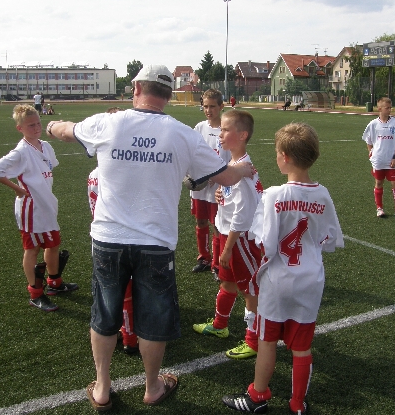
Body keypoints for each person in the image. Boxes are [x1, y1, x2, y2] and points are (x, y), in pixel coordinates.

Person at [45, 64, 254, 411]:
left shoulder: (109, 122)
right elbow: (225, 177)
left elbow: (65, 130)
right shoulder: (184, 134)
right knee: (153, 319)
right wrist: (243, 168)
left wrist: (51, 125)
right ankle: (152, 387)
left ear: (137, 88)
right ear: (169, 95)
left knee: (105, 314)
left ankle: (102, 387)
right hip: (155, 243)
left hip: (108, 238)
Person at [222, 122, 344, 415]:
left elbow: (262, 240)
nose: (276, 157)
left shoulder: (274, 194)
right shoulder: (322, 194)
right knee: (302, 347)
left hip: (277, 280)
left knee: (266, 342)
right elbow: (330, 239)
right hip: (310, 279)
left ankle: (258, 396)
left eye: (277, 152)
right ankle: (297, 404)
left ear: (285, 157)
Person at [0, 104, 78, 312]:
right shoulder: (21, 152)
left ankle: (55, 283)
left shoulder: (46, 146)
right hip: (31, 208)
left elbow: (48, 169)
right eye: (30, 125)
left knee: (53, 245)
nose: (36, 128)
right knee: (32, 249)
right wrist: (17, 189)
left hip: (47, 204)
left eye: (38, 123)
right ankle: (36, 293)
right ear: (20, 128)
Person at [193, 109, 263, 360]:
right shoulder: (234, 167)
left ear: (242, 135)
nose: (220, 134)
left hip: (239, 239)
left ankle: (253, 340)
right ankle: (220, 325)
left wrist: (227, 247)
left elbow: (243, 215)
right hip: (228, 237)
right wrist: (221, 194)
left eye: (225, 130)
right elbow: (234, 201)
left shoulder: (243, 171)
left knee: (249, 290)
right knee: (227, 282)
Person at [87, 107, 139, 356]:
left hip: (103, 238)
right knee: (129, 289)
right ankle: (130, 336)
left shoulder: (95, 173)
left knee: (109, 290)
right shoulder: (128, 171)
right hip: (127, 239)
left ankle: (118, 330)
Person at [190, 89, 231, 280]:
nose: (208, 110)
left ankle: (216, 264)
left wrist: (221, 178)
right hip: (200, 186)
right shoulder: (199, 128)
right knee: (200, 221)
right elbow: (192, 153)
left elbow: (231, 159)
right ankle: (204, 258)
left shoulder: (226, 130)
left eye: (212, 106)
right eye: (205, 106)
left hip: (218, 187)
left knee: (217, 224)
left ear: (221, 106)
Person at [362, 97, 395, 220]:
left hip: (391, 161)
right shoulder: (373, 124)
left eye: (390, 108)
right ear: (380, 109)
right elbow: (368, 141)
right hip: (378, 160)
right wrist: (371, 153)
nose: (389, 110)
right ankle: (379, 208)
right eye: (387, 108)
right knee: (379, 183)